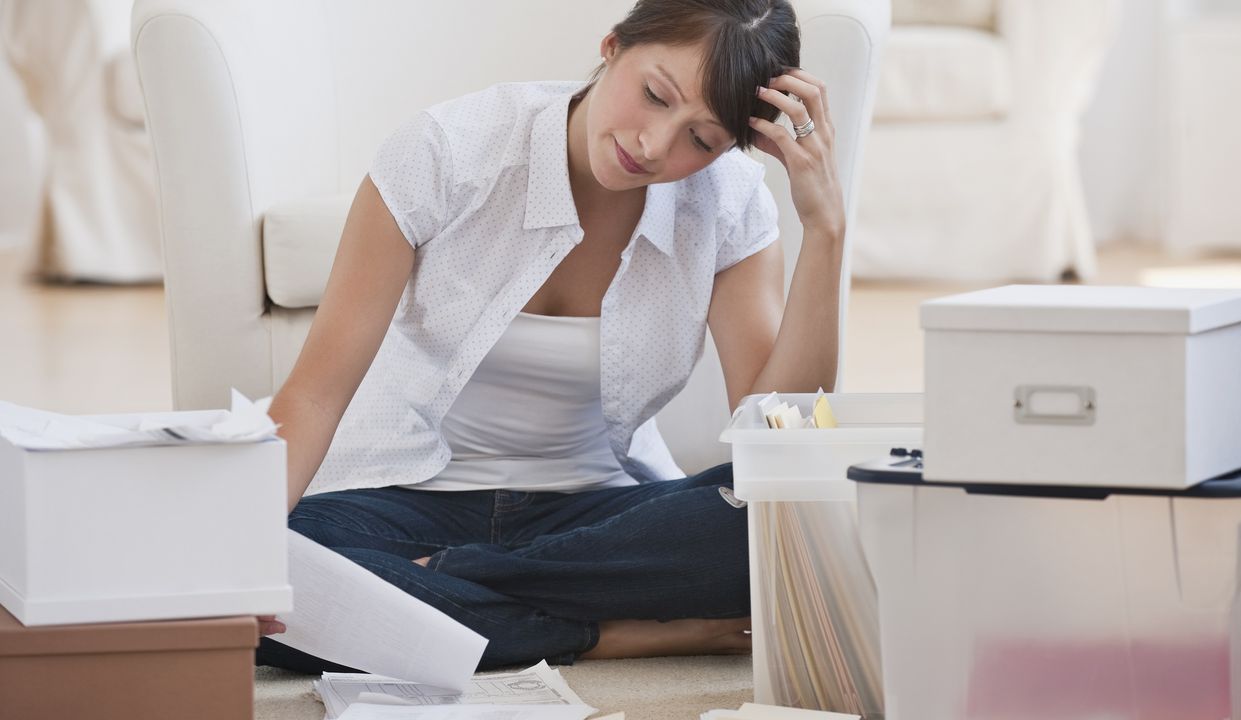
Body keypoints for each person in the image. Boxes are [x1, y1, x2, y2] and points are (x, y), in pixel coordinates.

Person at [256, 0, 845, 671]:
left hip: (599, 517)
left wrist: (825, 229)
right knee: (272, 576)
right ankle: (609, 633)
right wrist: (241, 557)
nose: (655, 144)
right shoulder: (444, 151)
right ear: (613, 45)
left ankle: (433, 591)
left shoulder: (730, 201)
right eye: (655, 95)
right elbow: (313, 398)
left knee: (780, 520)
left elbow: (777, 441)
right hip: (401, 503)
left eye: (702, 140)